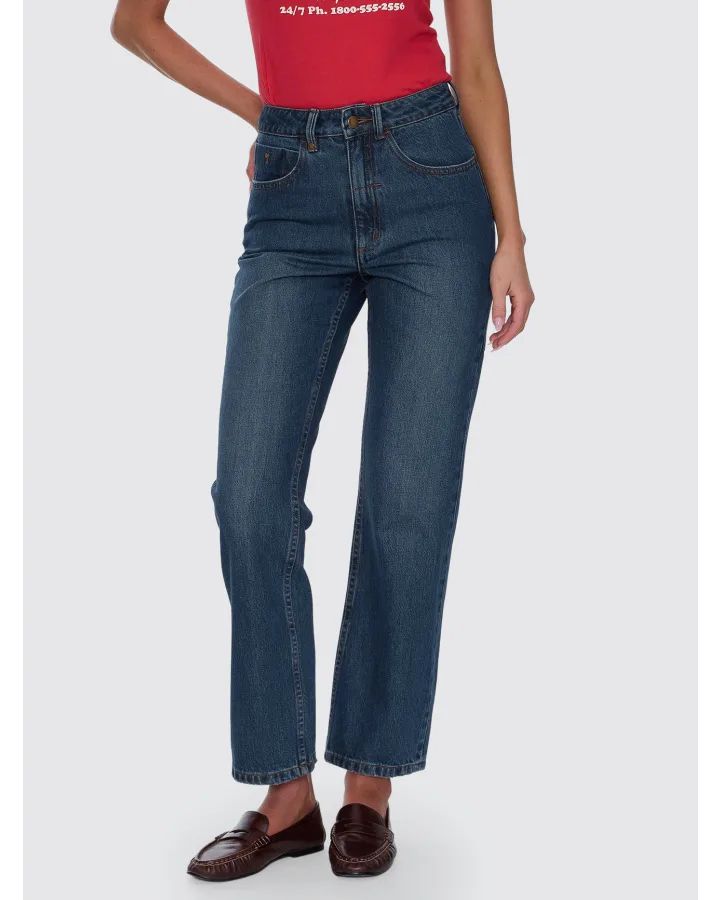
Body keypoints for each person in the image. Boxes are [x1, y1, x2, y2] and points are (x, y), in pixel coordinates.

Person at [111, 0, 534, 880]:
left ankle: (368, 787)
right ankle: (287, 793)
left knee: (408, 505)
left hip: (432, 178)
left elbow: (476, 66)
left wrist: (513, 236)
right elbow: (135, 23)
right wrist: (260, 112)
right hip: (291, 190)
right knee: (250, 499)